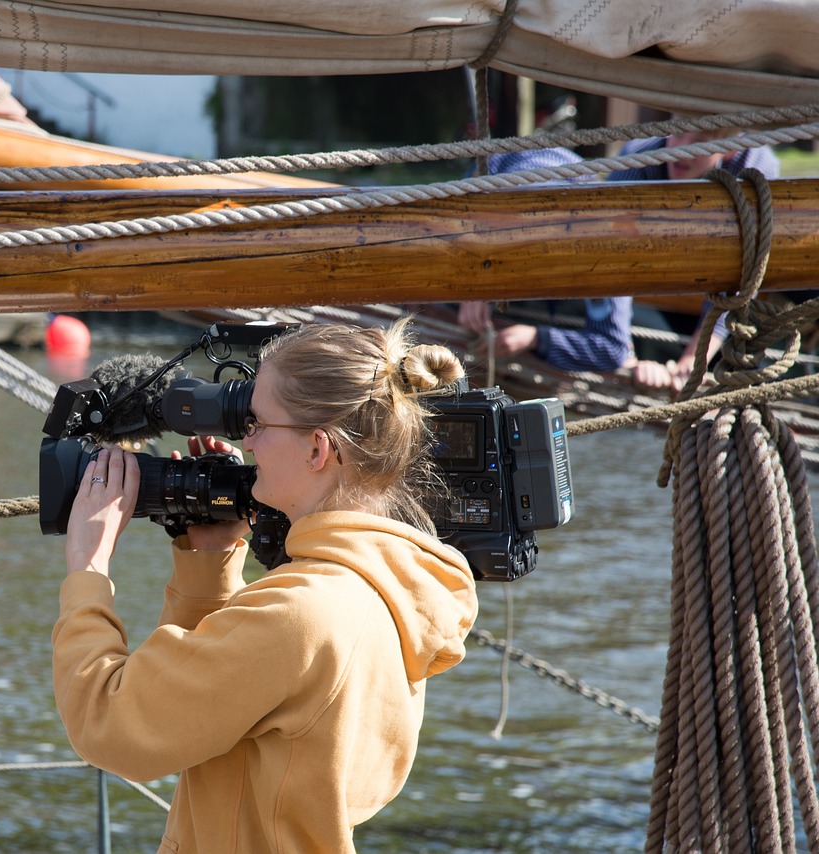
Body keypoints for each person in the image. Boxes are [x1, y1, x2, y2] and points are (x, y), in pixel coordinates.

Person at [52, 320, 479, 852]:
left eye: (257, 423)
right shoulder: (391, 591)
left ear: (316, 449)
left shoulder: (300, 613)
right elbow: (208, 719)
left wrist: (88, 566)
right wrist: (208, 563)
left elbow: (110, 725)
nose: (245, 440)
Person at [613, 130, 782, 394]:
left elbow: (739, 279)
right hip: (656, 298)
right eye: (677, 135)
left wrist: (693, 362)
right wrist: (624, 354)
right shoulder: (638, 159)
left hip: (722, 310)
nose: (682, 150)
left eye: (700, 143)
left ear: (729, 150)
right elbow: (611, 259)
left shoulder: (755, 172)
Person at [457, 148, 636, 373]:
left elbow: (612, 349)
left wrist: (536, 338)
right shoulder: (478, 197)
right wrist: (472, 278)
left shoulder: (601, 248)